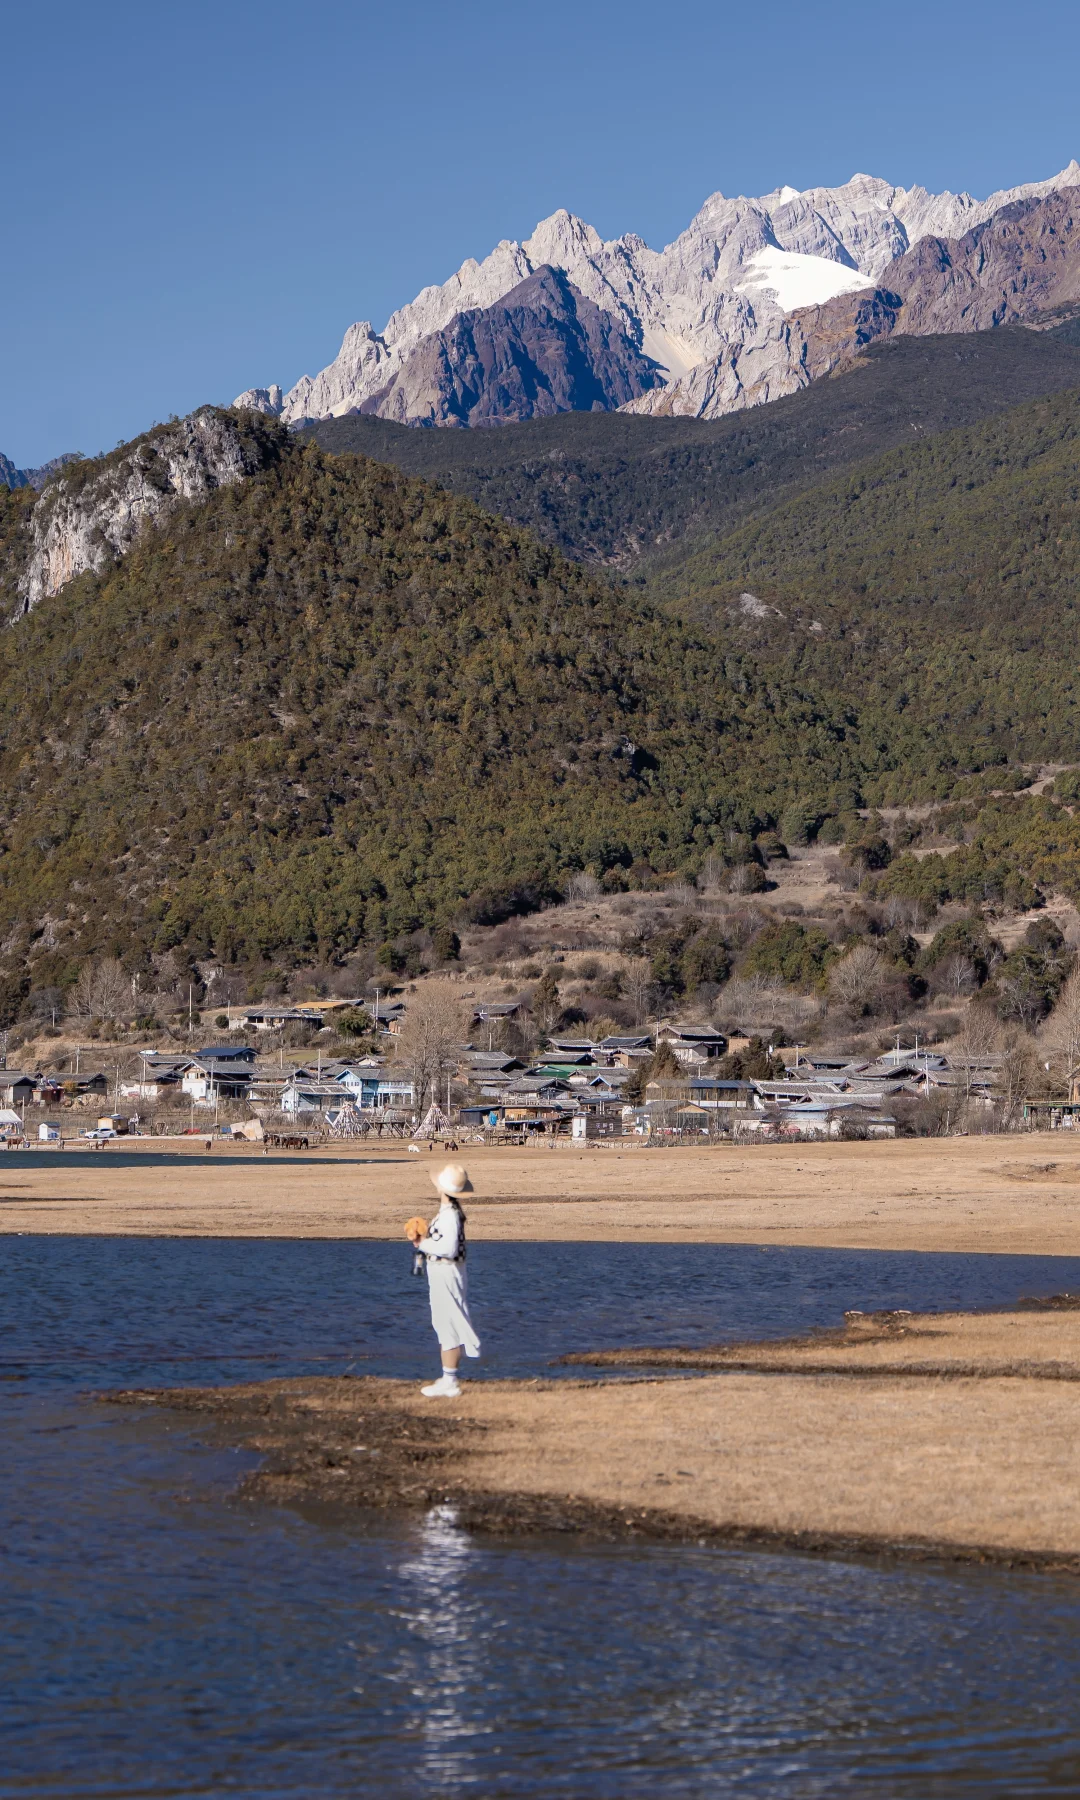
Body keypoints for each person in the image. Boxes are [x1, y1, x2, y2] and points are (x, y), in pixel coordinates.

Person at [408, 1163, 480, 1398]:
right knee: (445, 1322)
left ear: (441, 1188)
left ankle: (450, 1381)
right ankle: (448, 1378)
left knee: (447, 1323)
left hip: (446, 1272)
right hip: (445, 1272)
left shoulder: (449, 1216)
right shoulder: (449, 1213)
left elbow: (448, 1249)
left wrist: (423, 1244)